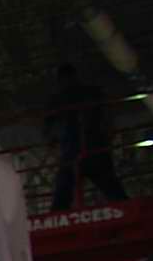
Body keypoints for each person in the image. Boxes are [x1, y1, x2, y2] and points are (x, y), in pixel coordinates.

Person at [47, 59, 123, 212]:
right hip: (94, 148)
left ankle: (56, 217)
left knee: (63, 194)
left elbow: (49, 129)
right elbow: (108, 118)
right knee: (111, 187)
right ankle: (126, 209)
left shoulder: (59, 100)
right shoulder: (92, 93)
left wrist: (54, 145)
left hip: (75, 152)